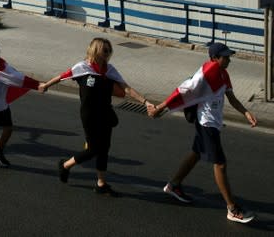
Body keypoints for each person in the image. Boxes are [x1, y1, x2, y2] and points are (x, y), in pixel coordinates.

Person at [148, 43, 257, 224]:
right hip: (206, 123)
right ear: (215, 58)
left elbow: (231, 97)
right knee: (220, 164)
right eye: (226, 57)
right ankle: (232, 208)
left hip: (212, 122)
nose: (229, 59)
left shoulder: (223, 73)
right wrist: (160, 107)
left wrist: (246, 112)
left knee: (196, 153)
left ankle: (173, 185)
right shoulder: (208, 71)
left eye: (229, 56)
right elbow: (184, 89)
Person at [40, 37, 152, 196]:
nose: (108, 53)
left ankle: (101, 183)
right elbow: (62, 76)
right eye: (104, 50)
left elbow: (126, 88)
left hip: (106, 113)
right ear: (95, 50)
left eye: (109, 50)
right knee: (93, 149)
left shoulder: (110, 70)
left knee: (104, 149)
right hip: (89, 114)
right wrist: (46, 85)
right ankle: (65, 165)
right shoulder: (82, 67)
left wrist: (146, 101)